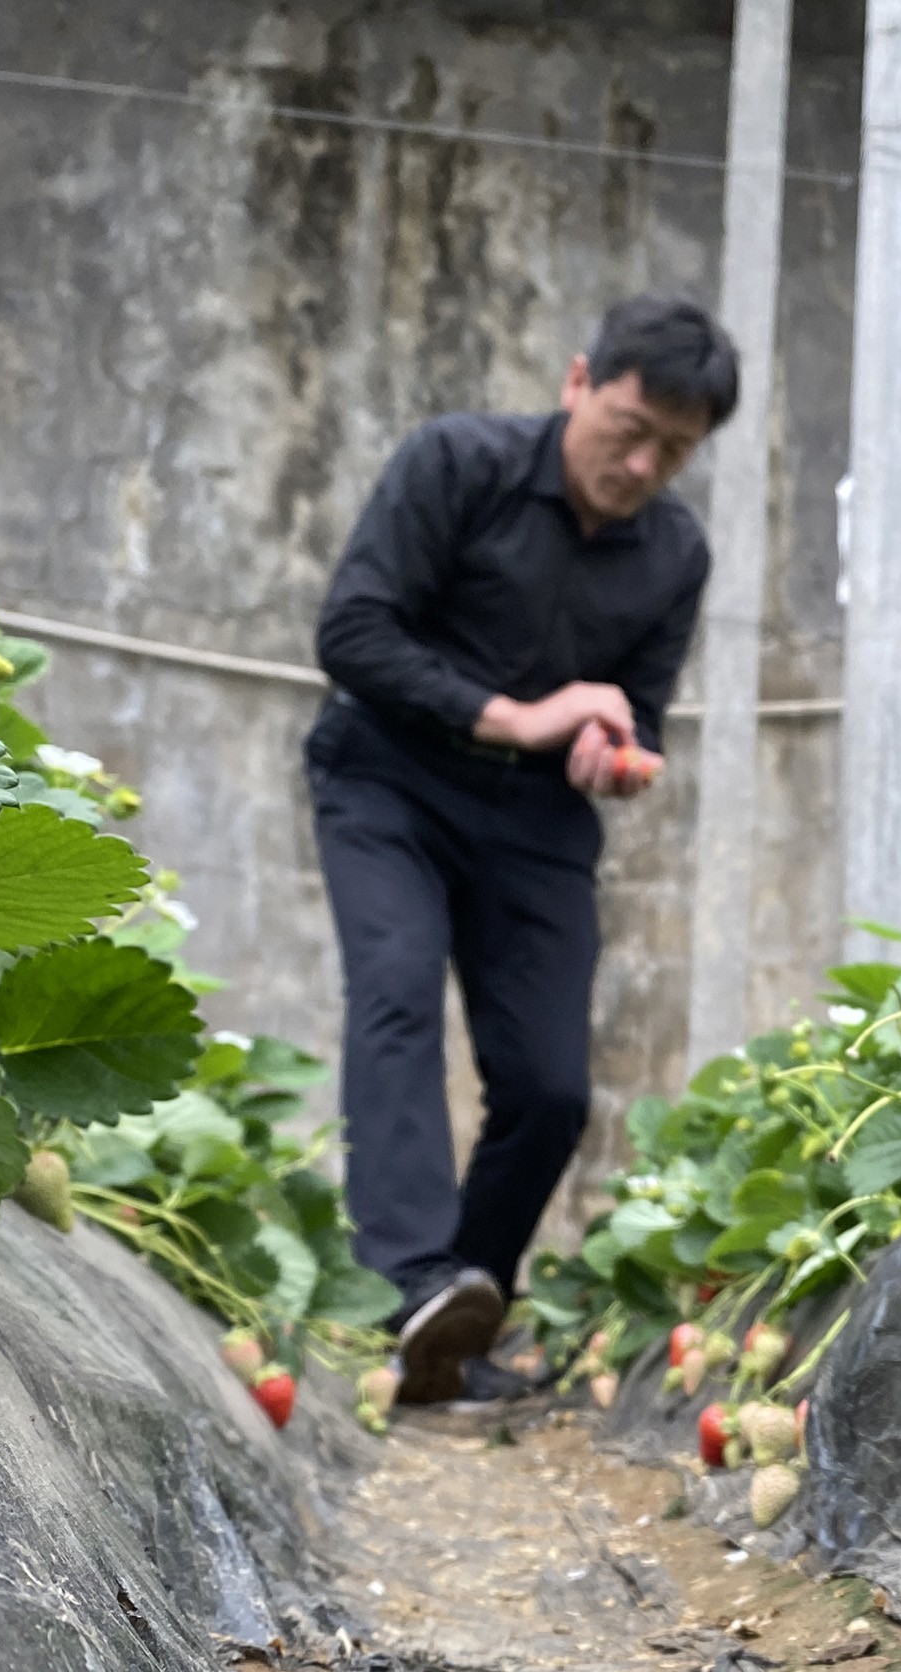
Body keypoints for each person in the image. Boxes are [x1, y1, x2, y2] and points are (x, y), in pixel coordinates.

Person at [309, 295, 737, 1402]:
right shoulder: (456, 462)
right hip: (388, 778)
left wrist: (608, 749)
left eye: (673, 451)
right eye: (627, 428)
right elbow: (353, 632)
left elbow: (632, 709)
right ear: (578, 381)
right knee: (396, 991)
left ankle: (456, 1322)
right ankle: (406, 1281)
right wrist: (519, 715)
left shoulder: (676, 554)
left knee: (550, 1086)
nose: (640, 464)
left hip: (537, 822)